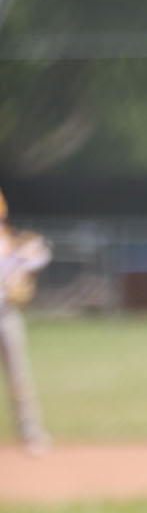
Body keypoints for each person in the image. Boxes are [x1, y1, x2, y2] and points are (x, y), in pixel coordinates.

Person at [0, 184, 51, 454]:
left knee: (18, 376)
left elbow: (40, 252)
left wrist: (21, 267)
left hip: (5, 316)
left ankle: (30, 432)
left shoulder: (10, 240)